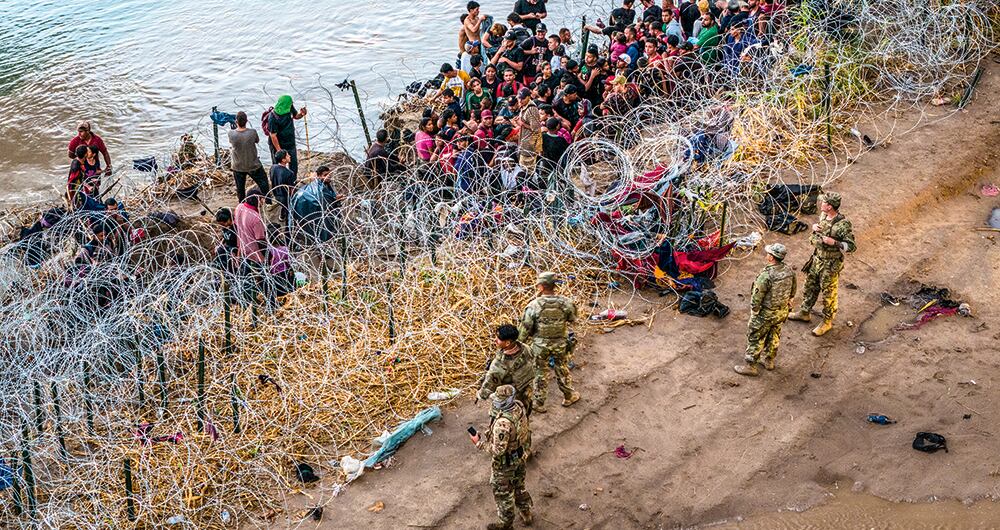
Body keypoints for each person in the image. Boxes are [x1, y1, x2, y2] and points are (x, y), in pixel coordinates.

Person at [788, 192, 856, 336]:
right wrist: (814, 228)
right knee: (810, 287)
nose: (821, 204)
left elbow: (851, 247)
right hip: (817, 260)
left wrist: (835, 243)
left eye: (823, 202)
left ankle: (827, 322)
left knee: (828, 294)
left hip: (830, 265)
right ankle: (805, 312)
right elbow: (818, 233)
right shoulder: (823, 216)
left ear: (830, 206)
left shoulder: (842, 225)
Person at [470, 384, 533, 530]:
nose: (495, 402)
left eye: (499, 400)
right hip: (520, 455)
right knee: (519, 485)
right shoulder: (519, 407)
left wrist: (478, 443)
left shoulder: (502, 424)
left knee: (503, 494)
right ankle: (526, 513)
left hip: (504, 464)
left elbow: (498, 450)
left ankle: (506, 524)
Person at [519, 271, 579, 412]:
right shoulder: (566, 303)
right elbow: (573, 318)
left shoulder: (533, 305)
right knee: (562, 368)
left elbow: (525, 329)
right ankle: (569, 396)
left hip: (540, 345)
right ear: (554, 285)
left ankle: (539, 403)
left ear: (541, 286)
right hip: (560, 343)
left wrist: (519, 345)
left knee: (540, 372)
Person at [735, 243, 796, 376]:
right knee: (774, 335)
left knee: (755, 337)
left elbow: (757, 297)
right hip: (781, 312)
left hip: (766, 313)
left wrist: (755, 311)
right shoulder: (789, 271)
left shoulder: (766, 275)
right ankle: (769, 361)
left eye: (768, 253)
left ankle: (751, 366)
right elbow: (793, 290)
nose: (767, 254)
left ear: (771, 257)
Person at [479, 324, 536, 416]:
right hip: (527, 389)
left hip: (510, 397)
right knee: (524, 414)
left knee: (503, 418)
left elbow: (489, 385)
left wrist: (481, 394)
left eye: (498, 339)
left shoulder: (499, 365)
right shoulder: (525, 348)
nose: (495, 340)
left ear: (507, 343)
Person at [228, 111, 268, 202]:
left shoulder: (231, 134)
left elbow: (231, 141)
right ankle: (267, 201)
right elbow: (257, 140)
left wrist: (234, 128)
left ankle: (242, 204)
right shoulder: (252, 132)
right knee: (263, 183)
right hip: (253, 164)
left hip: (238, 166)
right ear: (246, 121)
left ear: (236, 121)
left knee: (240, 188)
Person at [267, 95, 307, 176]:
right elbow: (273, 135)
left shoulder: (289, 107)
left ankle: (293, 180)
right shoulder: (273, 117)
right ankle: (277, 180)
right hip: (278, 144)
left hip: (290, 142)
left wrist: (302, 114)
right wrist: (279, 151)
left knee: (293, 163)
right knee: (277, 165)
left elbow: (296, 116)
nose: (292, 104)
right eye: (290, 103)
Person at [514, 88, 541, 176]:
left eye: (523, 98)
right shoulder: (524, 106)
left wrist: (522, 124)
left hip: (529, 144)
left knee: (527, 172)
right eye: (519, 98)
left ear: (529, 97)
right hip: (524, 142)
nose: (520, 100)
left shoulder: (531, 109)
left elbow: (536, 129)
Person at [268, 149, 296, 225]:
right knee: (288, 209)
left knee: (283, 206)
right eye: (287, 155)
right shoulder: (289, 173)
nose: (290, 156)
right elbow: (291, 189)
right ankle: (288, 224)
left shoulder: (273, 167)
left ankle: (282, 216)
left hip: (276, 193)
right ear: (283, 160)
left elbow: (271, 178)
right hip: (285, 196)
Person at [214, 208, 240, 274]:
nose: (222, 226)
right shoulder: (225, 227)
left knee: (233, 270)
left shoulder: (236, 228)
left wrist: (237, 257)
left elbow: (240, 244)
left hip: (235, 252)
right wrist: (220, 245)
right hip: (227, 250)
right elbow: (225, 237)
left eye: (223, 224)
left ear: (228, 220)